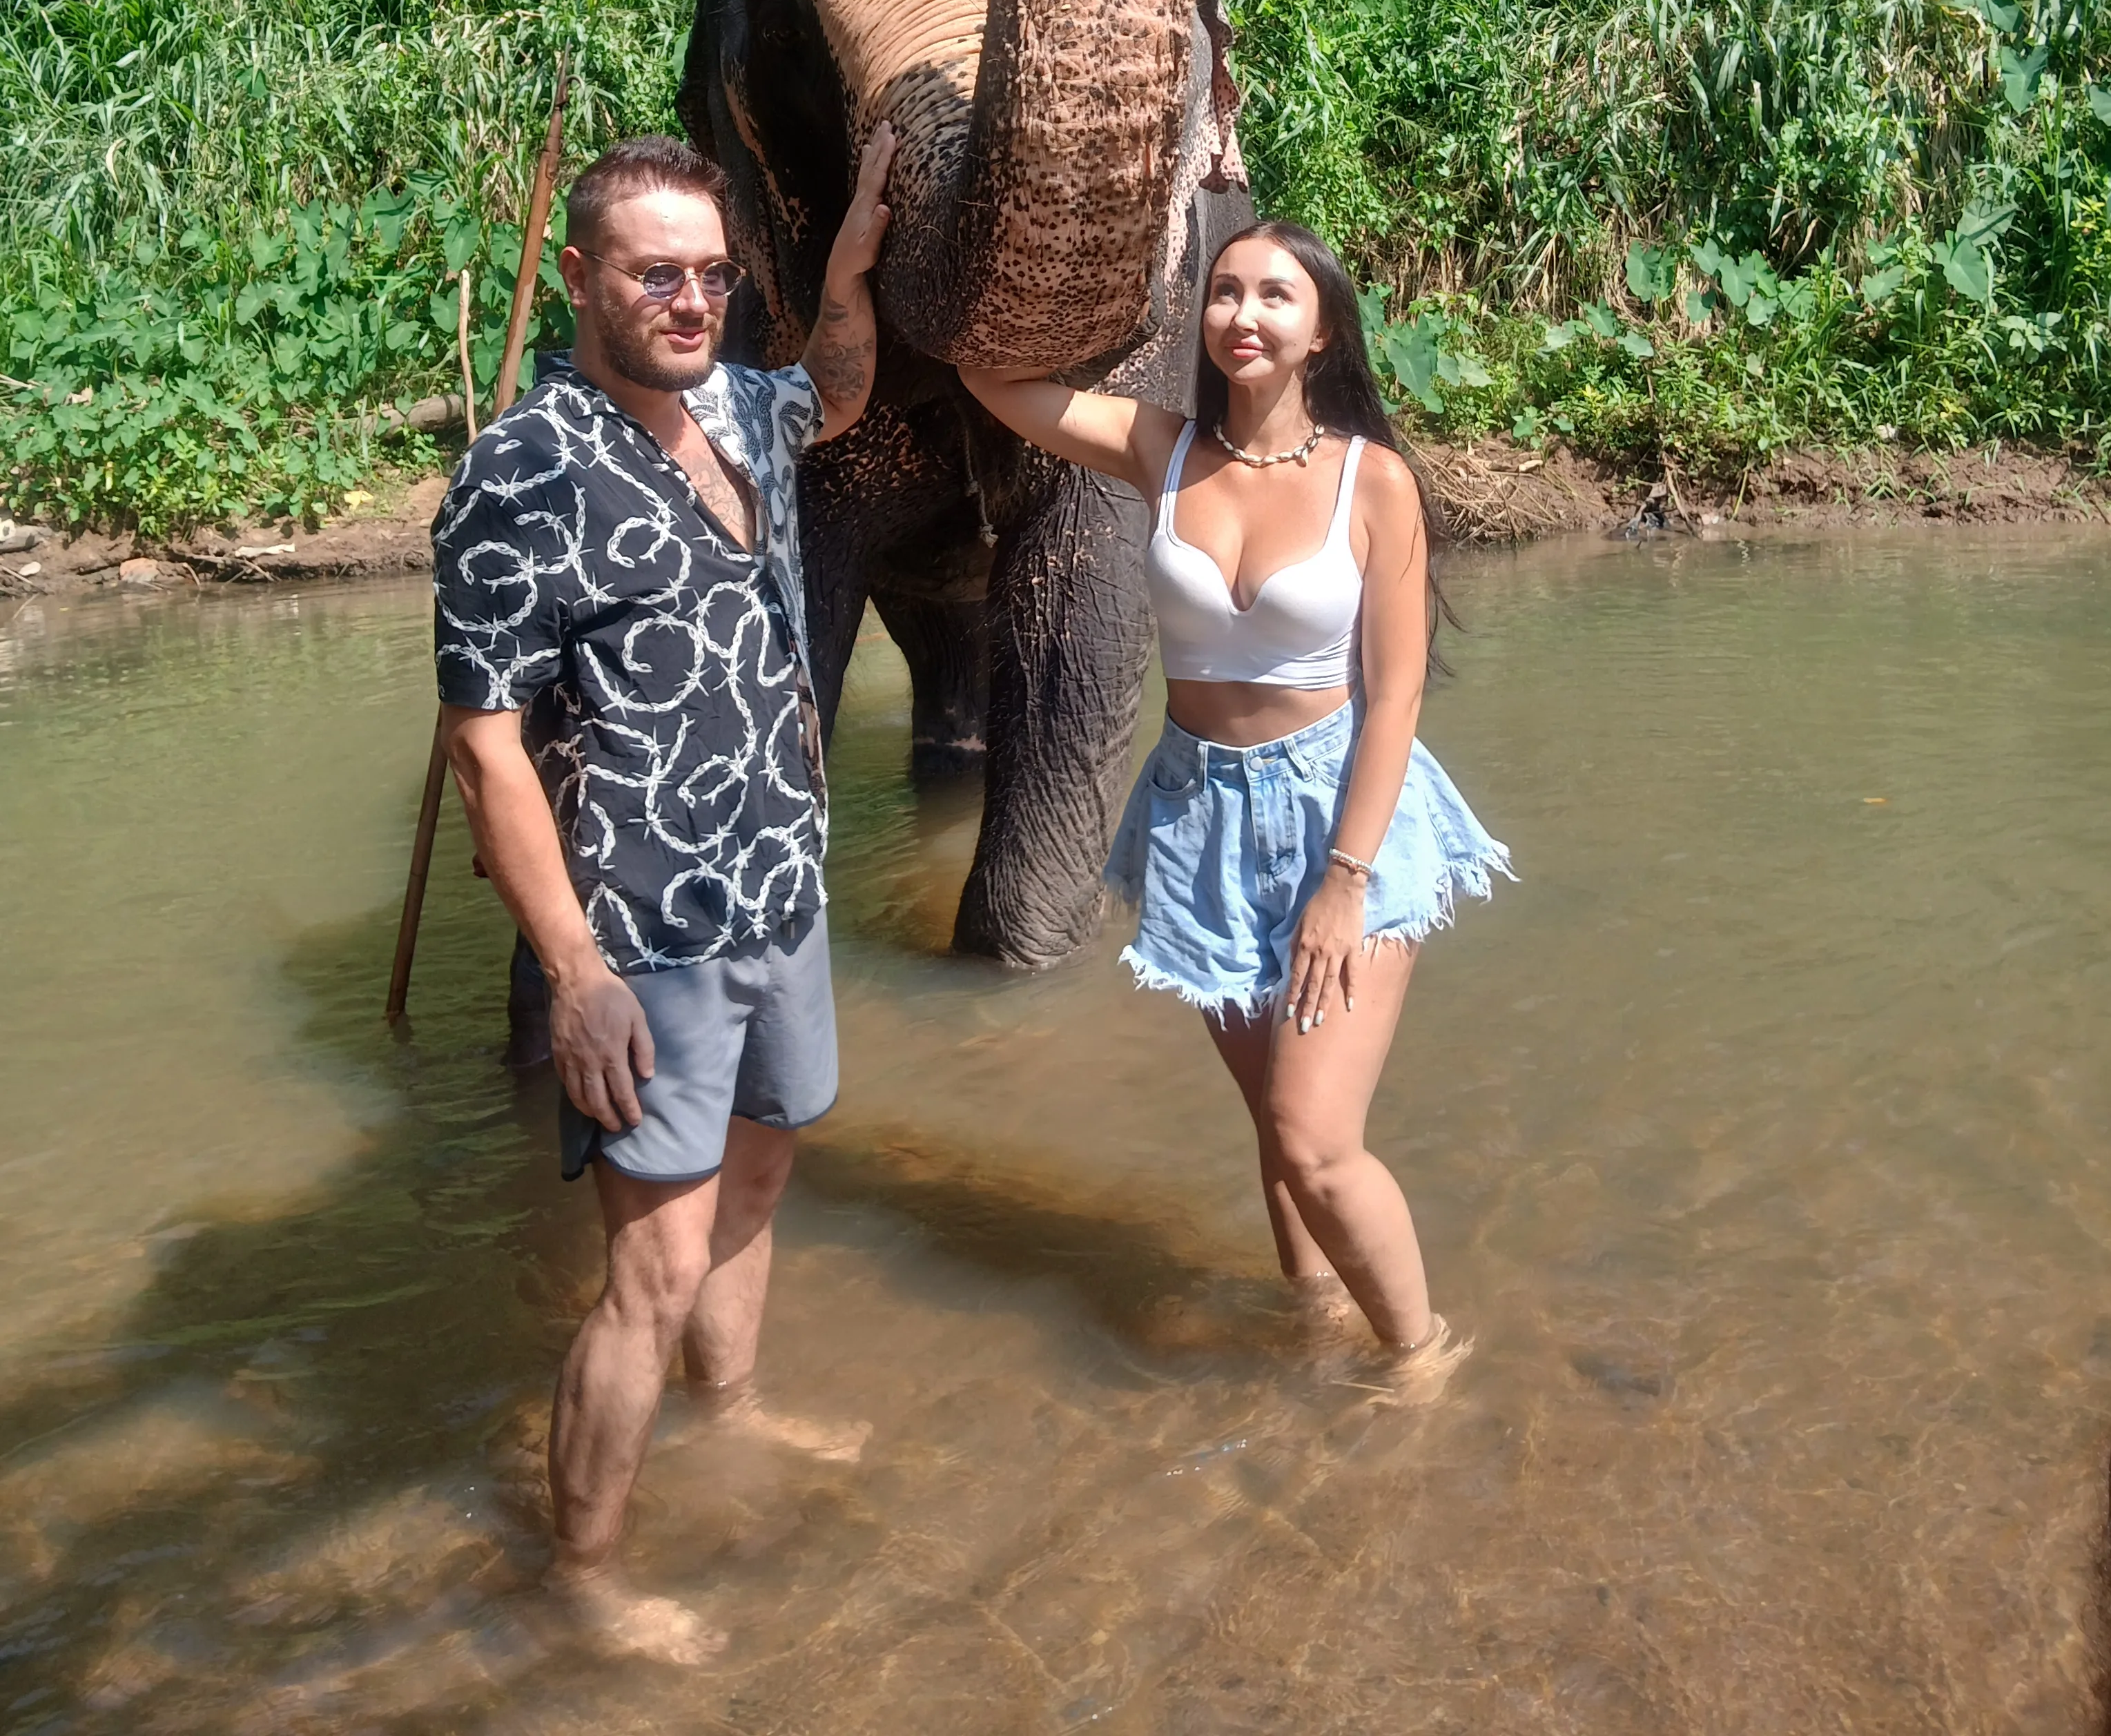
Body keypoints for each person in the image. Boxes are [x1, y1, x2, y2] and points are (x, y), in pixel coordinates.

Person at [434, 123, 895, 1663]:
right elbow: (483, 751)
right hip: (647, 934)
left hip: (785, 894)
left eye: (707, 278)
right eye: (653, 277)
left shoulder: (745, 412)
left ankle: (739, 1413)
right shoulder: (522, 471)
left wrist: (841, 273)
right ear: (580, 277)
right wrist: (572, 970)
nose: (688, 303)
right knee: (649, 1268)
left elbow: (835, 386)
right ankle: (584, 1580)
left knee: (757, 1188)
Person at [961, 219, 1509, 1379]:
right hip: (1198, 812)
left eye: (1274, 297)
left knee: (1317, 1140)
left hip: (1342, 814)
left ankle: (1422, 1361)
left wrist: (1344, 884)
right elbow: (996, 379)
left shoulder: (1375, 482)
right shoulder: (1160, 451)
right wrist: (926, 240)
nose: (1244, 316)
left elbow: (1398, 696)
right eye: (1223, 294)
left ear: (1322, 333)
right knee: (1277, 1130)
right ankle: (1314, 1325)